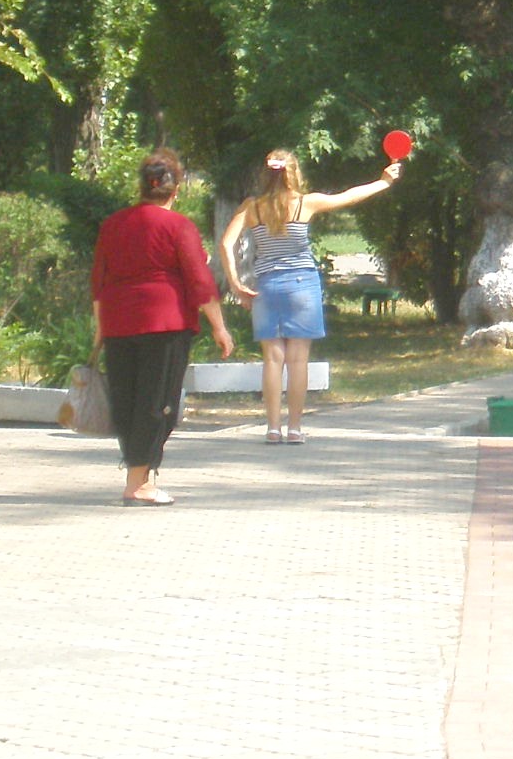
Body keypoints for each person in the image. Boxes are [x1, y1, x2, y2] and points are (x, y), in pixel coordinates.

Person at [220, 149, 400, 443]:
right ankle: (294, 429)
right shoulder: (306, 203)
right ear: (294, 173)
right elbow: (349, 196)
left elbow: (226, 244)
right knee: (298, 360)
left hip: (266, 285)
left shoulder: (251, 207)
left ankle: (272, 429)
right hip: (303, 284)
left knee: (273, 359)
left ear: (266, 174)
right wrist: (383, 181)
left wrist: (236, 284)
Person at [91, 149, 235, 505]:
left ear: (142, 187)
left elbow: (99, 282)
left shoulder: (113, 224)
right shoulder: (179, 226)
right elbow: (200, 282)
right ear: (175, 190)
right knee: (157, 402)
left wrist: (99, 330)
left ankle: (138, 475)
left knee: (127, 400)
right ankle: (138, 484)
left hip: (119, 321)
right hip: (165, 323)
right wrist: (219, 327)